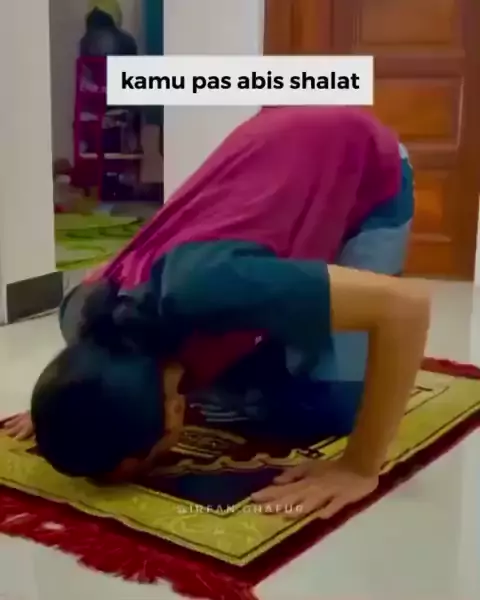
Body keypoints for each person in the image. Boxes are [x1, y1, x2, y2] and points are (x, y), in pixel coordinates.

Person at [5, 107, 430, 520]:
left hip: (360, 165)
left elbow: (405, 307)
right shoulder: (83, 313)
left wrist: (358, 467)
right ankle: (293, 315)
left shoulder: (215, 287)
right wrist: (68, 410)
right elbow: (88, 369)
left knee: (334, 405)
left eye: (153, 458)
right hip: (270, 156)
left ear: (176, 414)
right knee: (246, 354)